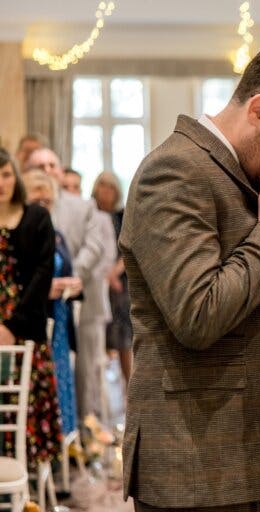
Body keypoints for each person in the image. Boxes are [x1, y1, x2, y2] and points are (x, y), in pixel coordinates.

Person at [120, 42, 260, 512]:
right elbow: (198, 314)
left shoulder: (247, 171)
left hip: (251, 449)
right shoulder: (174, 170)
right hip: (196, 459)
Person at [27, 147, 110, 422]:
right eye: (40, 165)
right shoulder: (23, 209)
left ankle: (85, 433)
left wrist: (74, 271)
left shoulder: (81, 206)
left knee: (87, 372)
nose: (47, 170)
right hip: (36, 305)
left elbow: (95, 245)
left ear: (61, 169)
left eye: (52, 164)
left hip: (78, 298)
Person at [0, 149, 63, 467]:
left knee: (22, 409)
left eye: (7, 174)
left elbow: (42, 275)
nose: (1, 182)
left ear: (16, 178)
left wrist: (11, 327)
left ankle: (26, 480)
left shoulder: (36, 217)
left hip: (24, 326)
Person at [23, 168, 81, 436]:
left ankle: (63, 445)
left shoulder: (56, 235)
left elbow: (66, 268)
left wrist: (74, 284)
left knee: (62, 381)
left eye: (47, 202)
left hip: (59, 318)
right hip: (35, 318)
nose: (43, 208)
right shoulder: (21, 235)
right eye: (37, 202)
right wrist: (46, 288)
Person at [92, 171, 132, 388]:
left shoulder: (122, 215)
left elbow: (130, 248)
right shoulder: (89, 215)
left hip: (120, 283)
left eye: (111, 186)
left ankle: (129, 389)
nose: (106, 190)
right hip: (96, 281)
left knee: (124, 338)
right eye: (102, 185)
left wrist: (113, 273)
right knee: (101, 337)